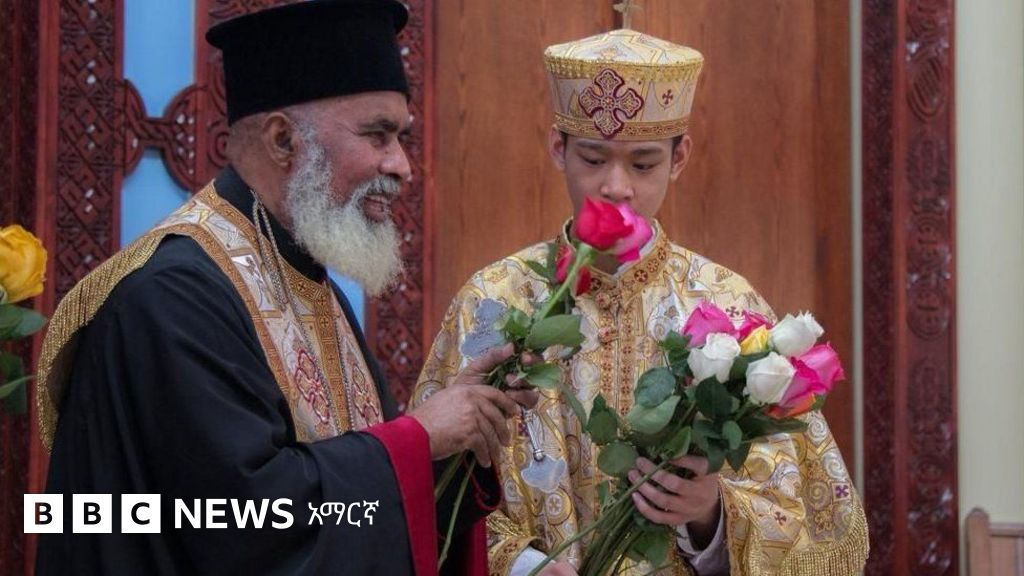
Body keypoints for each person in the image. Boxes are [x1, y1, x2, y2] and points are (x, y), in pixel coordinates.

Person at [35, 1, 529, 574]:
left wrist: (452, 443)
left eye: (400, 137)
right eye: (378, 135)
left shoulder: (305, 277)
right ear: (282, 140)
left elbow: (357, 514)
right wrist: (419, 438)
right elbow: (237, 523)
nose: (402, 166)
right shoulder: (173, 296)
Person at [414, 22, 869, 576]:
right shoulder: (491, 299)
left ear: (679, 158)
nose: (616, 186)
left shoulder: (727, 304)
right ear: (558, 148)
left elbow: (806, 519)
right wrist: (523, 564)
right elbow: (432, 492)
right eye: (592, 158)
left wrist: (710, 516)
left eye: (643, 163)